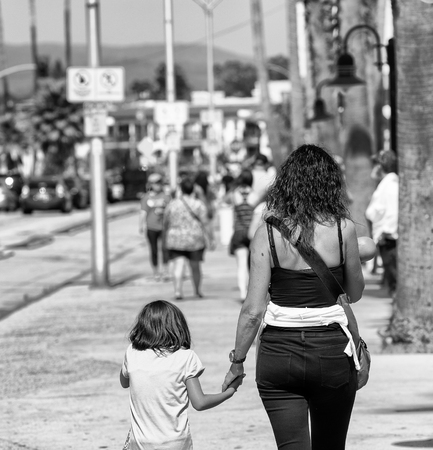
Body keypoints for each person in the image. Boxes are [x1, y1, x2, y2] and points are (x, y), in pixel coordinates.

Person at [222, 144, 365, 450]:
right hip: (331, 352)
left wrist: (238, 361)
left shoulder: (268, 235)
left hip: (278, 354)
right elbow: (353, 293)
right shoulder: (344, 231)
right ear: (331, 184)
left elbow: (252, 310)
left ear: (287, 184)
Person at [120, 300, 244, 450]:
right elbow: (199, 403)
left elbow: (124, 382)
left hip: (140, 442)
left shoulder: (132, 352)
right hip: (175, 443)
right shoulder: (185, 357)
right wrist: (231, 391)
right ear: (178, 326)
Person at [163, 178, 215, 300]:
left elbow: (165, 222)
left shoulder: (172, 204)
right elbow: (205, 223)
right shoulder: (198, 204)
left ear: (180, 189)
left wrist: (165, 237)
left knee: (178, 264)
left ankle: (177, 291)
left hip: (175, 238)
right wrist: (211, 238)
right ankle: (197, 291)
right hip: (195, 239)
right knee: (195, 266)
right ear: (193, 190)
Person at [365, 149, 398, 296]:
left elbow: (393, 211)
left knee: (395, 282)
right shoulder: (385, 184)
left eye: (375, 164)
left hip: (389, 241)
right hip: (385, 241)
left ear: (380, 166)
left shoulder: (391, 185)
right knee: (391, 280)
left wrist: (386, 233)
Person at [227, 169, 259, 300]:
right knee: (253, 265)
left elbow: (225, 201)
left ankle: (242, 293)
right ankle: (252, 293)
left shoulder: (235, 194)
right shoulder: (255, 195)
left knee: (241, 265)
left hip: (239, 232)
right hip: (252, 233)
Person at [139, 173, 172, 281]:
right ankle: (156, 272)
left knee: (165, 249)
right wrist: (141, 225)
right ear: (150, 184)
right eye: (155, 183)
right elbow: (143, 212)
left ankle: (166, 271)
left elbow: (171, 210)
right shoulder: (146, 197)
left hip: (164, 227)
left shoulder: (166, 196)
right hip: (151, 227)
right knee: (153, 250)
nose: (158, 185)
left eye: (159, 182)